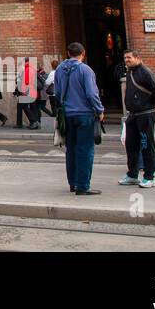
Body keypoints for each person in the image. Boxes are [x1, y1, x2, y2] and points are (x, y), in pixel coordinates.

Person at [55, 43, 104, 195]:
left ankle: (73, 183)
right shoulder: (85, 70)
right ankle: (83, 186)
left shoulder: (59, 69)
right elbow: (91, 93)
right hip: (84, 115)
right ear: (83, 53)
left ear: (68, 53)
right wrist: (99, 109)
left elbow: (57, 92)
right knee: (85, 149)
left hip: (67, 115)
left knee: (71, 150)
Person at [119, 48, 155, 188]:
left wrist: (149, 103)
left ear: (137, 58)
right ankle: (132, 174)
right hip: (133, 114)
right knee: (131, 145)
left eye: (129, 58)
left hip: (145, 113)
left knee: (146, 145)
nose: (127, 60)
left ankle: (150, 176)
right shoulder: (130, 72)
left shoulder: (145, 72)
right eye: (125, 58)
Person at [15, 57, 40, 128]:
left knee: (24, 105)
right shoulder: (32, 69)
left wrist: (24, 91)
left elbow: (26, 82)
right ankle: (35, 122)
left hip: (28, 91)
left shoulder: (28, 69)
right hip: (33, 91)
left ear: (26, 62)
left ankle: (34, 121)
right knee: (31, 107)